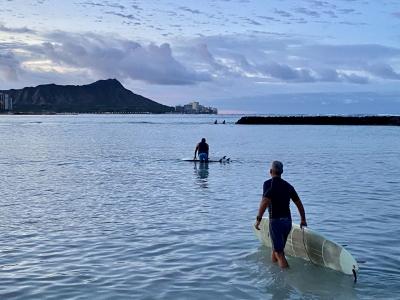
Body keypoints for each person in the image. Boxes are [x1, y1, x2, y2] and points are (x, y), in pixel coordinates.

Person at [255, 161, 307, 268]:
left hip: (276, 222)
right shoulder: (288, 186)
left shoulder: (268, 184)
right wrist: (303, 219)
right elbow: (299, 203)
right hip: (287, 222)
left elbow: (265, 201)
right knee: (277, 249)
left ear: (270, 171)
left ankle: (286, 277)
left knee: (279, 253)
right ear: (282, 172)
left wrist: (258, 219)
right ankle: (273, 271)